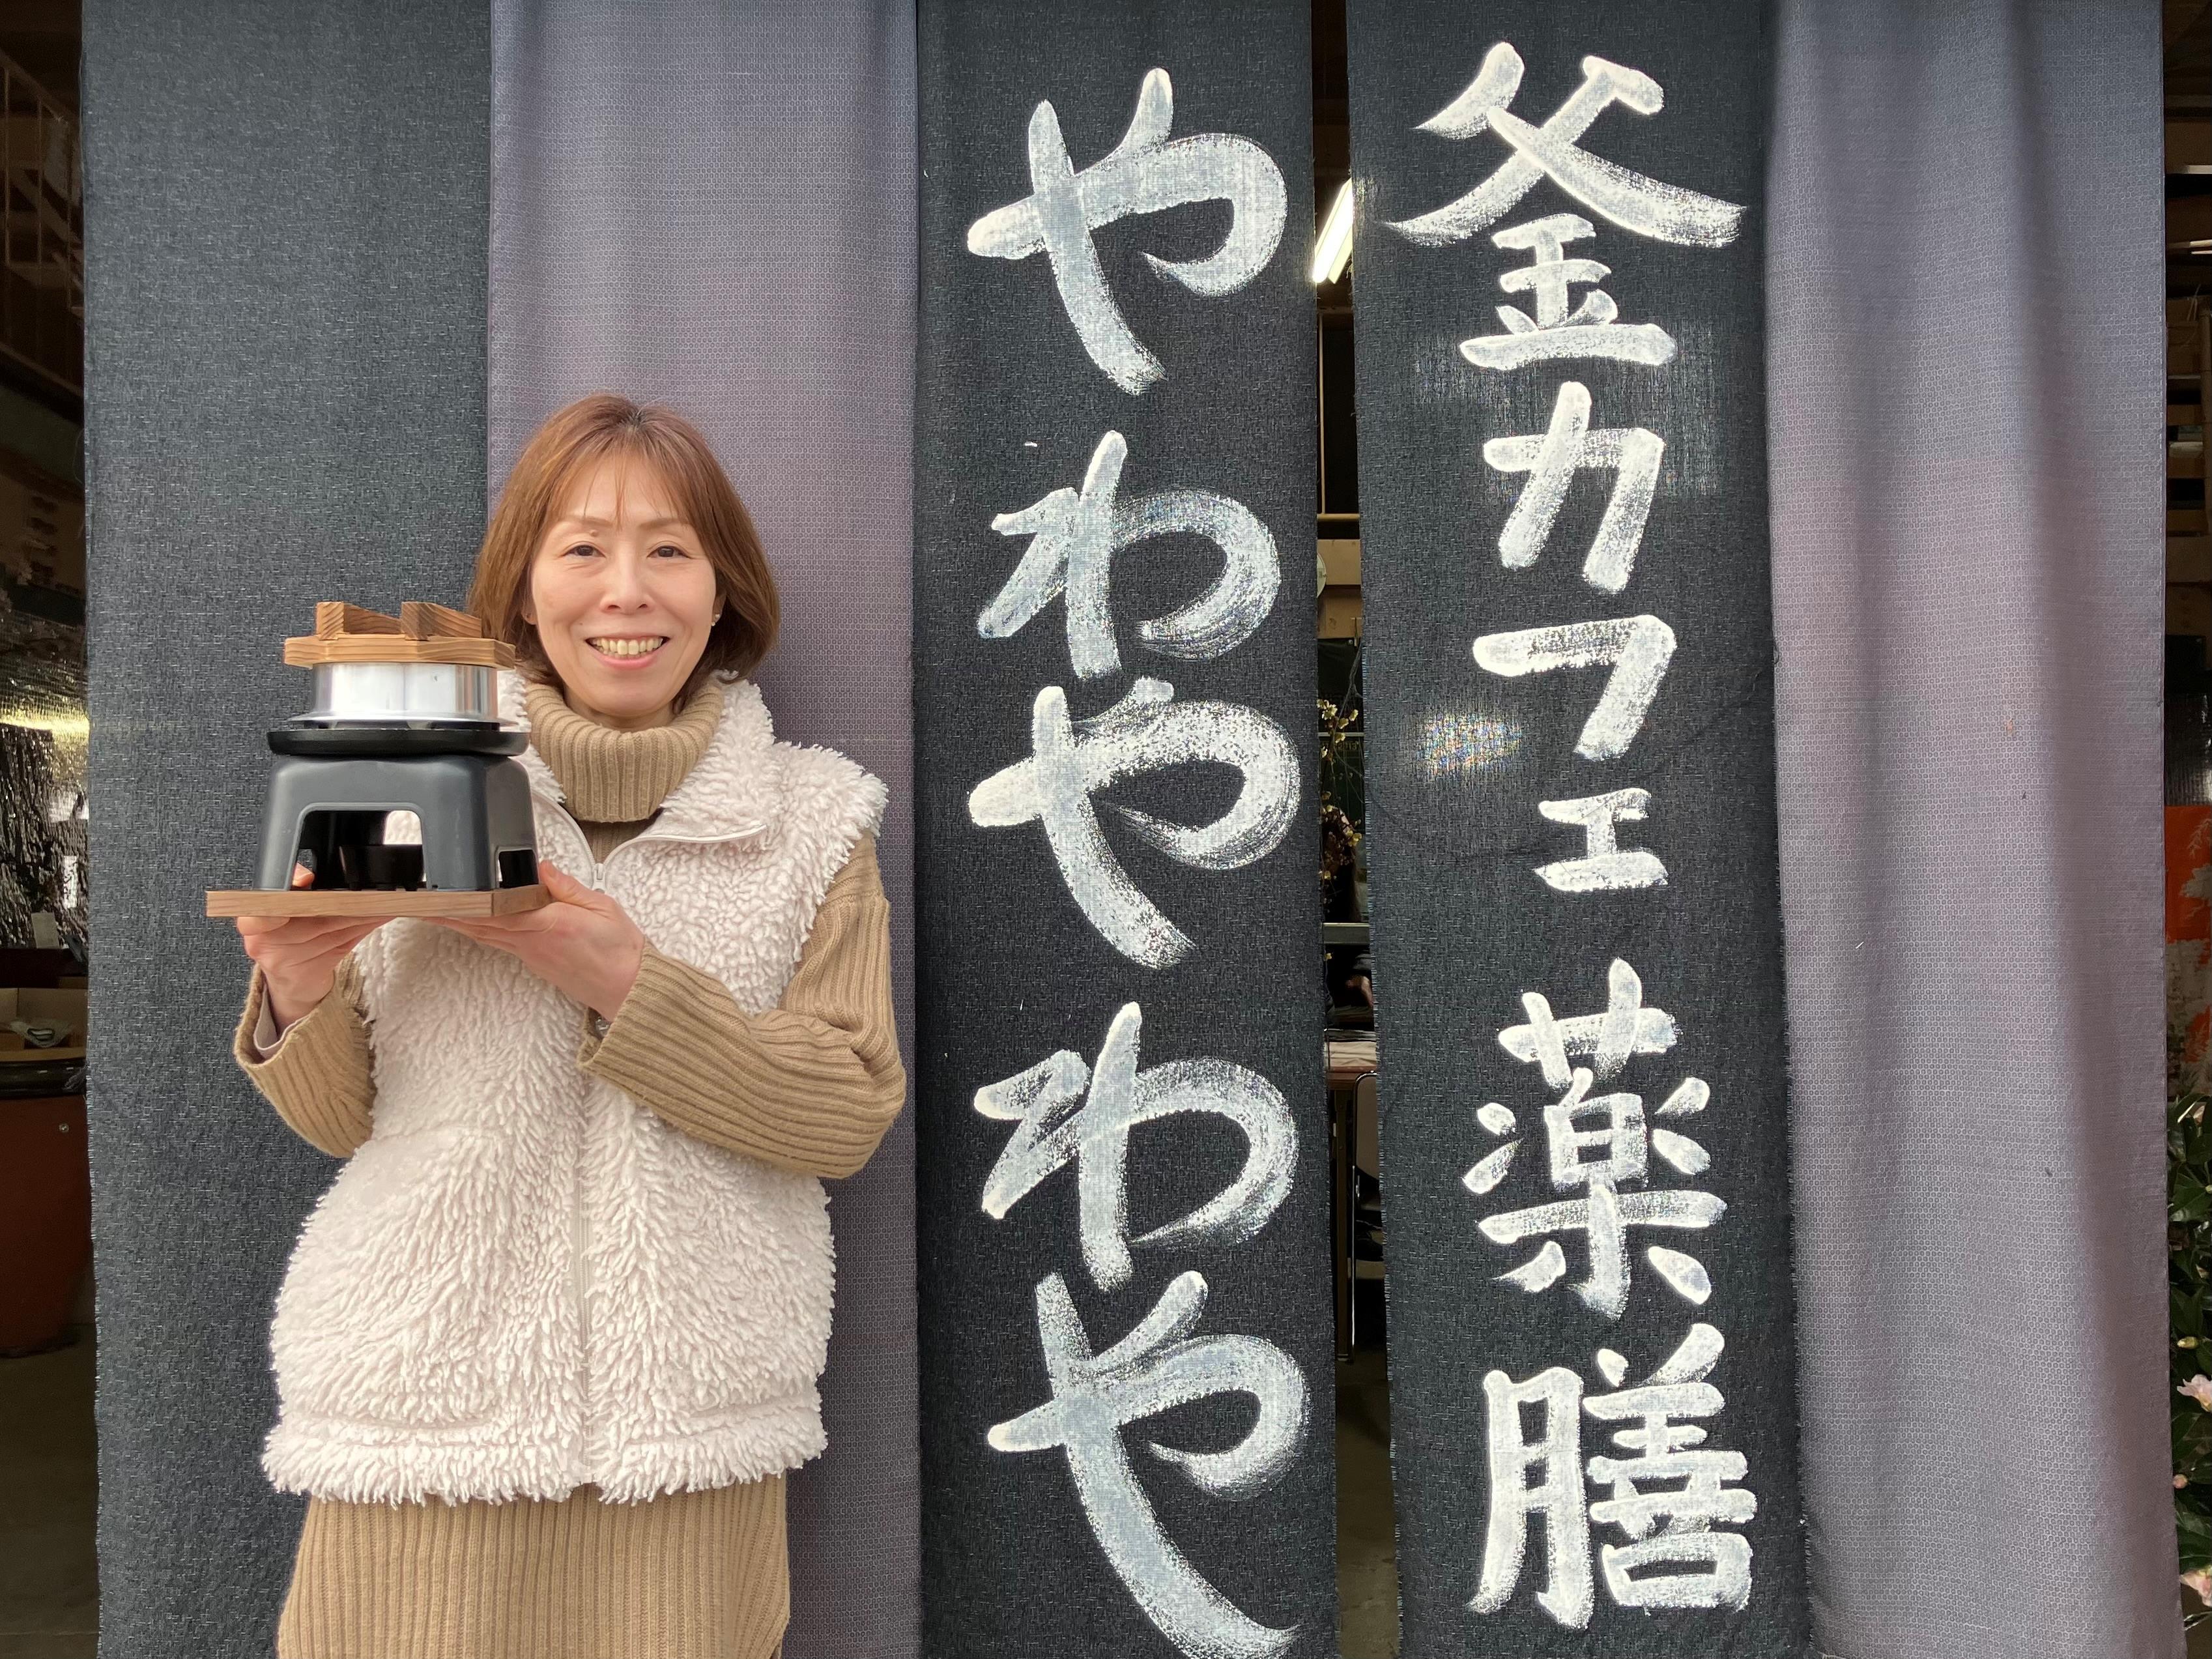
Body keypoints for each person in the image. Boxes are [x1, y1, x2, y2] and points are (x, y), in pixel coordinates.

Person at [228, 393, 904, 1659]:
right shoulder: (403, 780)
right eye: (581, 548)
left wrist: (625, 980)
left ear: (722, 593)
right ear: (524, 594)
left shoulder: (814, 822)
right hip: (419, 1421)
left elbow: (845, 1104)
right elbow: (339, 1118)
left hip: (686, 1441)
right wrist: (296, 987)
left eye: (669, 548)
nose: (625, 590)